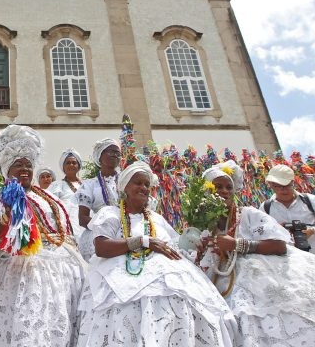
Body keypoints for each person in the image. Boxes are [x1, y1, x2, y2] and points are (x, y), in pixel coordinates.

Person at [198, 161, 315, 347]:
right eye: (218, 186)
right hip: (227, 281)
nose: (225, 191)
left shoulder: (250, 213)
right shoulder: (208, 223)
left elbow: (279, 245)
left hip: (278, 273)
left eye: (229, 187)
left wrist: (237, 244)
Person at [77, 161, 237, 346]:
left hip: (167, 272)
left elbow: (176, 247)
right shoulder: (110, 213)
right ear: (125, 187)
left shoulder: (156, 218)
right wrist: (143, 241)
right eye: (138, 183)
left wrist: (195, 248)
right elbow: (102, 247)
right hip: (120, 273)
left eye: (147, 184)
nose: (144, 188)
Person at [0, 125, 85, 347]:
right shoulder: (2, 198)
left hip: (63, 269)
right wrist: (7, 216)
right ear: (7, 170)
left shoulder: (48, 197)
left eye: (28, 165)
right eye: (19, 165)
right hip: (23, 271)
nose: (25, 169)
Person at [259, 164, 315, 267]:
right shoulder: (266, 207)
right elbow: (261, 237)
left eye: (286, 185)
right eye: (277, 186)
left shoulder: (310, 200)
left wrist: (313, 230)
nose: (282, 190)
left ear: (293, 182)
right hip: (292, 269)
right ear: (270, 185)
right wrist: (278, 230)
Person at [77, 139, 121, 260]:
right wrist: (103, 228)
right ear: (100, 157)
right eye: (111, 152)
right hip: (99, 234)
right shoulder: (89, 185)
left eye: (118, 153)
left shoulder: (126, 181)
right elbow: (82, 218)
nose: (115, 156)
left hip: (126, 229)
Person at [47, 149, 83, 243]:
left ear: (78, 166)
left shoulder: (86, 184)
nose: (71, 165)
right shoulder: (57, 185)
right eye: (68, 163)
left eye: (74, 163)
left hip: (86, 225)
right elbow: (51, 206)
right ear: (63, 167)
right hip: (67, 227)